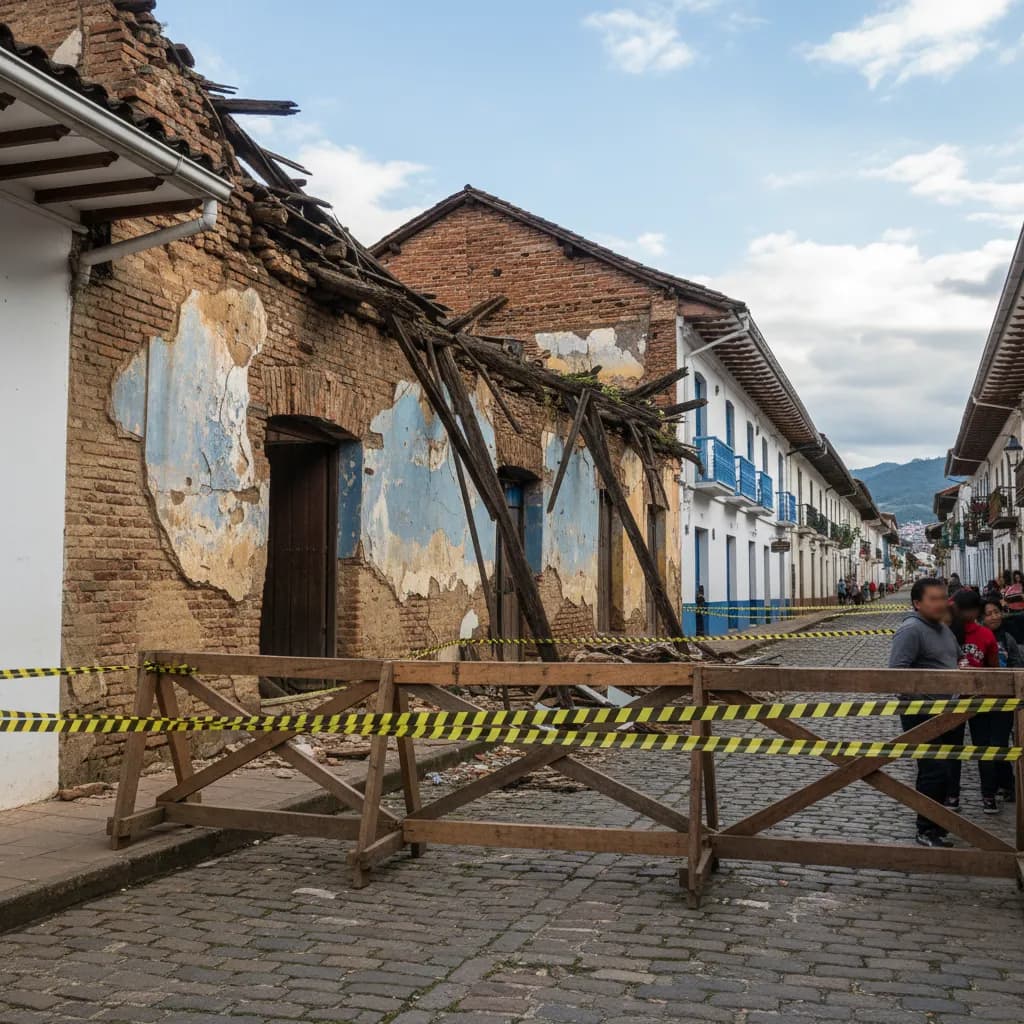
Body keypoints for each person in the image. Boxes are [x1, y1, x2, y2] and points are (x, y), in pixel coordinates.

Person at [889, 578, 963, 847]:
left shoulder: (943, 629)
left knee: (945, 771)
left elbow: (957, 658)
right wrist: (925, 700)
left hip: (950, 712)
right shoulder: (911, 630)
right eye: (933, 599)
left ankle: (937, 825)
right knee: (932, 770)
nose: (940, 603)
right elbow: (896, 674)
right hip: (922, 713)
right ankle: (925, 829)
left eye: (943, 598)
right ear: (917, 603)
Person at [977, 599, 1018, 810]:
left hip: (1004, 701)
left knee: (1000, 744)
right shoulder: (976, 639)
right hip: (980, 701)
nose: (994, 616)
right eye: (989, 613)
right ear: (981, 618)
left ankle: (1008, 784)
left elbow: (1017, 665)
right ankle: (989, 793)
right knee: (985, 746)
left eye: (997, 612)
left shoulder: (1008, 638)